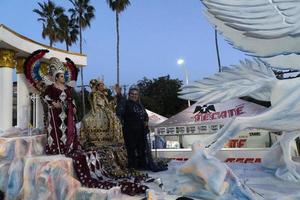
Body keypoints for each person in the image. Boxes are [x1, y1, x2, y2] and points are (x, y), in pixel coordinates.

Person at [115, 85, 168, 172]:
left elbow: (145, 116)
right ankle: (133, 167)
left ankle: (141, 165)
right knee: (131, 149)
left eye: (136, 94)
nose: (134, 95)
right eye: (132, 94)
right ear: (129, 94)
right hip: (130, 131)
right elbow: (120, 105)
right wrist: (119, 94)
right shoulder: (126, 103)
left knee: (141, 149)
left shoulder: (140, 105)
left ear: (138, 95)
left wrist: (146, 121)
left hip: (141, 131)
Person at [42, 57, 79, 155]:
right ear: (57, 78)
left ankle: (69, 147)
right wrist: (53, 103)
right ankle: (56, 148)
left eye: (64, 76)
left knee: (68, 130)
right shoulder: (51, 87)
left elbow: (71, 99)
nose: (64, 78)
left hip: (67, 113)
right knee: (56, 131)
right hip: (55, 113)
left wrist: (74, 107)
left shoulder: (67, 88)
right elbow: (45, 97)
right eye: (62, 76)